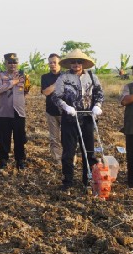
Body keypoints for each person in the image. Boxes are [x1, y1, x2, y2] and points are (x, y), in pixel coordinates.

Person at [51, 49, 104, 190]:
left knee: (89, 152)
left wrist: (97, 106)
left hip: (87, 118)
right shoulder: (63, 78)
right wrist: (66, 107)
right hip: (70, 119)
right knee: (68, 152)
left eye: (79, 62)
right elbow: (56, 97)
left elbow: (99, 93)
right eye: (73, 62)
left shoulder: (92, 76)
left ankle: (88, 180)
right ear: (69, 64)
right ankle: (67, 182)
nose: (76, 64)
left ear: (83, 63)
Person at [0, 53, 31, 171]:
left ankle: (20, 161)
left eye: (15, 62)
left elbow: (26, 91)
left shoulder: (23, 76)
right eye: (10, 62)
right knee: (4, 139)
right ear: (5, 63)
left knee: (20, 138)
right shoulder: (0, 76)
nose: (12, 65)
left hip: (19, 112)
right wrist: (12, 83)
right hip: (4, 113)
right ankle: (3, 161)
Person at [41, 53, 63, 164]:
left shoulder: (67, 75)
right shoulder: (45, 77)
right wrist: (58, 83)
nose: (52, 64)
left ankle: (69, 158)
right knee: (54, 138)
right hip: (51, 111)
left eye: (55, 62)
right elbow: (46, 92)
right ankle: (57, 159)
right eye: (50, 62)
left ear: (60, 63)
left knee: (67, 137)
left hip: (66, 112)